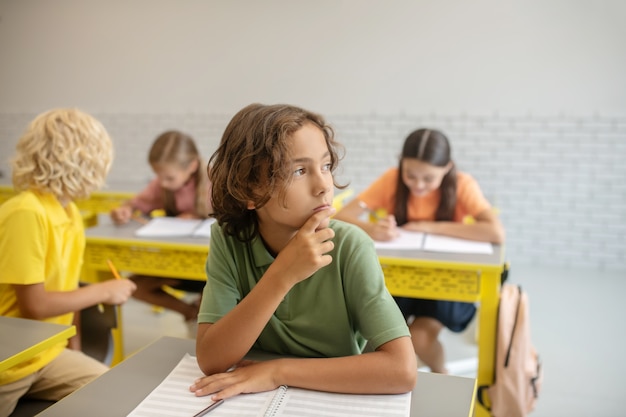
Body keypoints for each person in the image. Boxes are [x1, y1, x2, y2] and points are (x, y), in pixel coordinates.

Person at [190, 103, 416, 401]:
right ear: (249, 192)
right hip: (253, 402)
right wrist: (281, 275)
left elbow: (402, 371)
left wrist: (277, 371)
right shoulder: (229, 239)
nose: (324, 185)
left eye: (325, 166)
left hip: (332, 399)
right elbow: (211, 360)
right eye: (299, 171)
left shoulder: (350, 246)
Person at [0, 108, 137, 417]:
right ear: (83, 163)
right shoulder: (26, 212)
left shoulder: (70, 213)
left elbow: (68, 289)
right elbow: (34, 306)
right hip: (9, 366)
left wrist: (72, 350)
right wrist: (105, 291)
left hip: (47, 356)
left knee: (110, 393)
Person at [334, 128, 505, 374]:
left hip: (447, 281)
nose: (418, 185)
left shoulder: (462, 185)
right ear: (401, 164)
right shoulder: (391, 180)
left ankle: (440, 374)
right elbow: (342, 216)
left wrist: (430, 227)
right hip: (400, 277)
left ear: (447, 168)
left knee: (420, 339)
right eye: (411, 175)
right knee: (380, 337)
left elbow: (495, 231)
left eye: (428, 178)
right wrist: (372, 228)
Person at [110, 130, 211, 336]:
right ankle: (190, 313)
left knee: (212, 300)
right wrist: (124, 210)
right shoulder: (161, 186)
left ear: (192, 166)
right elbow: (136, 204)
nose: (162, 183)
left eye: (169, 177)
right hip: (173, 262)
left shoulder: (214, 180)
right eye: (158, 176)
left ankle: (201, 317)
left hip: (209, 266)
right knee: (134, 286)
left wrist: (196, 215)